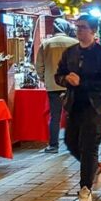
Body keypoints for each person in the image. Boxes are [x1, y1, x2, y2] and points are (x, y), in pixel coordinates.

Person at [55, 15, 101, 201]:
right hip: (75, 105)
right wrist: (66, 80)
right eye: (77, 27)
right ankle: (95, 168)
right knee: (71, 143)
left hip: (96, 107)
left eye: (83, 27)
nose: (79, 30)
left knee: (89, 147)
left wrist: (83, 82)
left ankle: (85, 189)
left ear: (93, 31)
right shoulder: (70, 52)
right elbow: (59, 75)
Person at [35, 19, 77, 153]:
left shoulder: (46, 44)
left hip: (53, 85)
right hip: (72, 85)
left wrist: (45, 79)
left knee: (55, 116)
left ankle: (53, 145)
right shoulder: (75, 43)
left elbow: (39, 66)